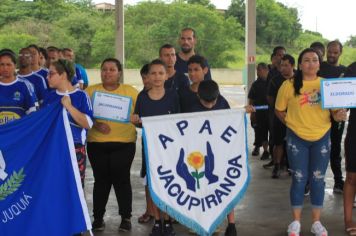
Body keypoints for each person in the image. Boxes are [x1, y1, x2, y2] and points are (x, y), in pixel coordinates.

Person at [275, 48, 346, 236]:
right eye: (306, 60)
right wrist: (291, 123)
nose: (311, 63)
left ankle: (316, 222)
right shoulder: (288, 85)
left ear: (319, 64)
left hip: (321, 137)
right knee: (298, 179)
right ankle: (295, 222)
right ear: (300, 64)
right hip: (296, 139)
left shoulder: (326, 85)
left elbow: (335, 114)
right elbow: (279, 110)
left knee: (318, 180)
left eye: (315, 60)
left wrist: (339, 115)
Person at [86, 58, 138, 232]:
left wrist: (137, 119)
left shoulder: (130, 92)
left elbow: (141, 116)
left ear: (119, 72)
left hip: (124, 143)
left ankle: (126, 217)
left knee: (122, 180)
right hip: (97, 144)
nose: (107, 73)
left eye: (111, 69)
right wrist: (95, 124)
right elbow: (82, 115)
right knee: (101, 181)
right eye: (104, 69)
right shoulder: (90, 91)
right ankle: (98, 218)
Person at [131, 59, 180, 236]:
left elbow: (181, 122)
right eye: (153, 73)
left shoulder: (173, 95)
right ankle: (157, 220)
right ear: (147, 77)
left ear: (166, 76)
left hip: (170, 149)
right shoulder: (142, 97)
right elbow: (140, 123)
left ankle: (167, 221)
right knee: (154, 185)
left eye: (161, 73)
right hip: (150, 149)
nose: (157, 77)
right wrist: (135, 121)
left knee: (168, 184)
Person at [42, 59, 93, 189]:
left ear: (63, 75)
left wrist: (69, 107)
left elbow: (88, 124)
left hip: (74, 150)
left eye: (51, 74)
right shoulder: (48, 96)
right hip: (52, 149)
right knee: (53, 189)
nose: (47, 77)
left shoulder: (81, 96)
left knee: (74, 190)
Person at [318, 40, 347, 194]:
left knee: (335, 149)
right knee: (318, 149)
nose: (332, 55)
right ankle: (315, 181)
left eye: (335, 52)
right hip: (318, 116)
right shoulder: (318, 67)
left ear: (340, 53)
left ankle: (338, 181)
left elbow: (349, 94)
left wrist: (344, 109)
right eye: (330, 51)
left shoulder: (345, 71)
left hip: (337, 117)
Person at [265, 54, 295, 178]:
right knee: (278, 143)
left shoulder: (300, 78)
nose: (282, 68)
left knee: (294, 143)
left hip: (296, 117)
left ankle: (292, 167)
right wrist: (279, 109)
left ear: (292, 66)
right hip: (279, 116)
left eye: (286, 65)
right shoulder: (275, 80)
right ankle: (277, 166)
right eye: (281, 65)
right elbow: (270, 98)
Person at [137, 63, 154, 224]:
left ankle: (167, 215)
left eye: (148, 76)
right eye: (143, 77)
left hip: (168, 145)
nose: (146, 80)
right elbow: (138, 121)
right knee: (148, 178)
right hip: (148, 144)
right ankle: (150, 211)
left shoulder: (169, 95)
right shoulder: (141, 96)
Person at [0, 50, 37, 125]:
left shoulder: (25, 85)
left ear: (15, 65)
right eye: (2, 64)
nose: (5, 68)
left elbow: (33, 113)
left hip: (19, 133)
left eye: (8, 64)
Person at [343, 62, 356, 235]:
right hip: (355, 131)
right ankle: (348, 219)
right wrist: (339, 111)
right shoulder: (352, 68)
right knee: (352, 177)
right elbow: (341, 100)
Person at [248, 63, 270, 160]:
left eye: (259, 70)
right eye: (257, 70)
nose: (257, 72)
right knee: (260, 130)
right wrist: (252, 112)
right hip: (259, 112)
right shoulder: (255, 84)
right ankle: (260, 148)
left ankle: (270, 151)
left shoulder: (271, 82)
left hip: (271, 112)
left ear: (266, 70)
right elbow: (251, 99)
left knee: (272, 132)